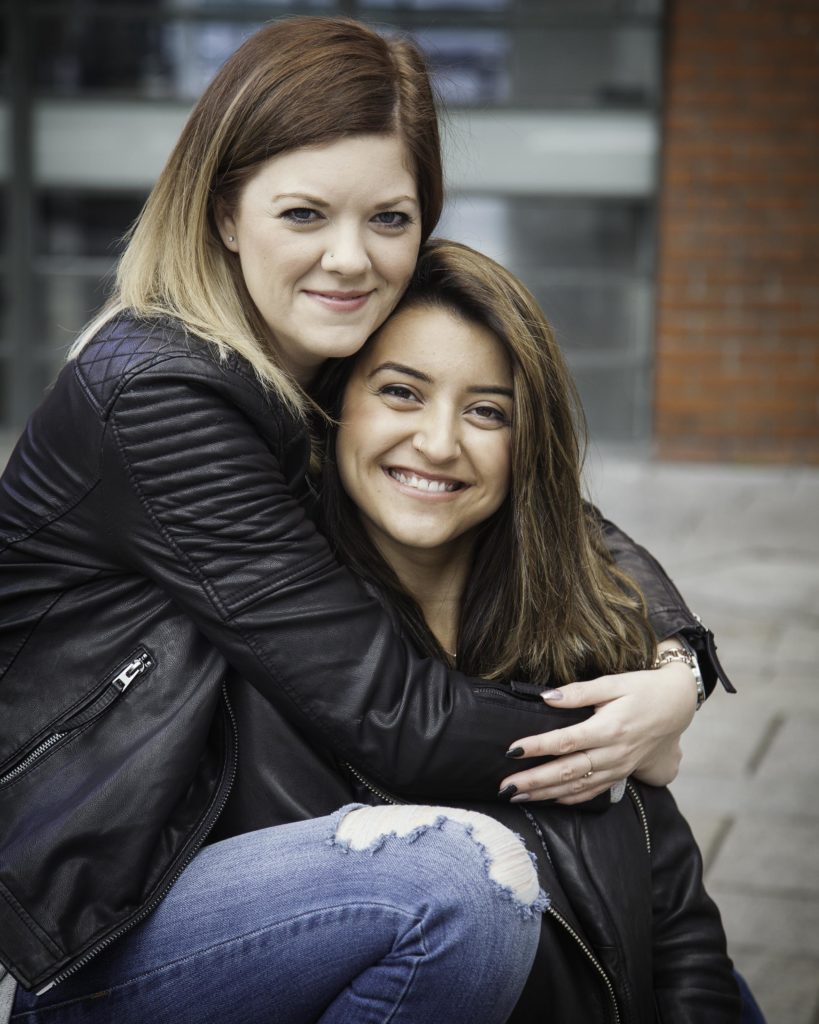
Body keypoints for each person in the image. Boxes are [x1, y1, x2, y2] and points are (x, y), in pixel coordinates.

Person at [0, 14, 730, 1018]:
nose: (351, 258)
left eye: (389, 218)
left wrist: (675, 671)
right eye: (304, 213)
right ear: (224, 212)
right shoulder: (159, 394)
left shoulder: (317, 343)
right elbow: (397, 718)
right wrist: (611, 736)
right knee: (462, 883)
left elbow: (558, 510)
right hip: (91, 924)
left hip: (227, 857)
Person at [312, 237, 741, 1021]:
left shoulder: (579, 625)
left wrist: (680, 669)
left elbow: (679, 931)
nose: (439, 443)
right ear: (337, 404)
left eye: (486, 412)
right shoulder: (270, 654)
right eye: (401, 393)